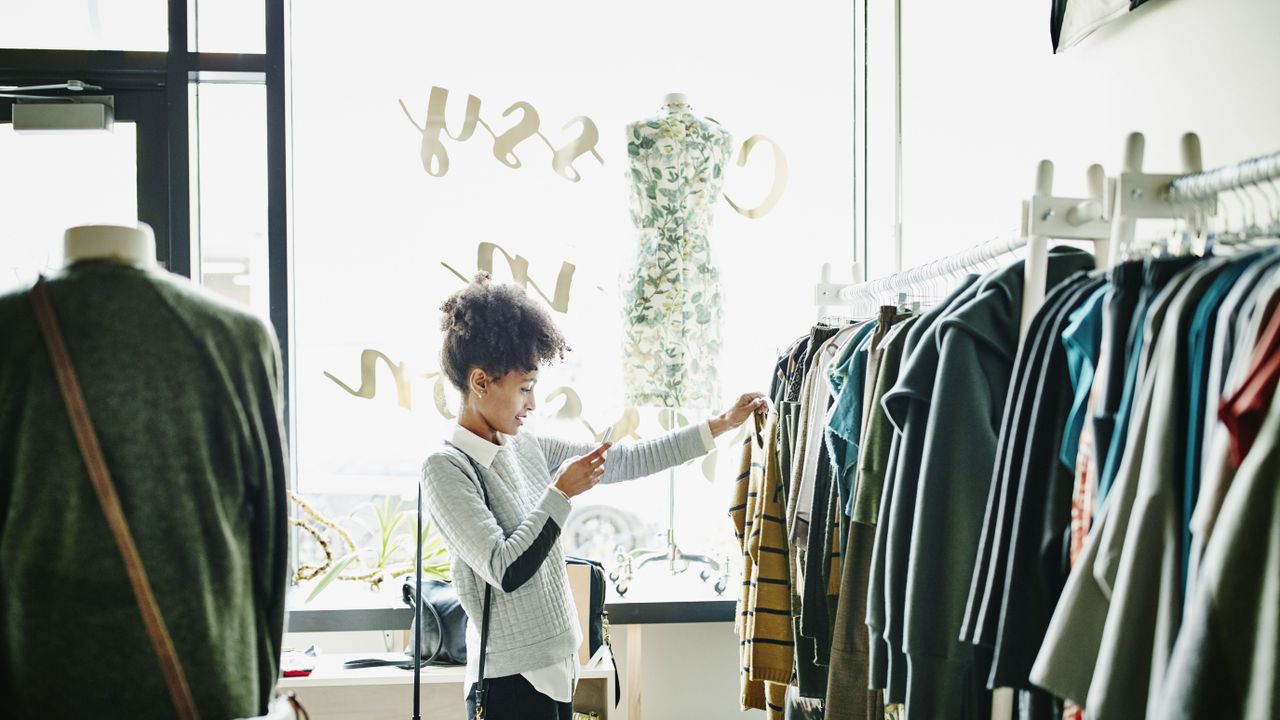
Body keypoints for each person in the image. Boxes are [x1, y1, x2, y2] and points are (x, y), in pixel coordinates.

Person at [422, 273, 766, 720]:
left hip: (560, 670)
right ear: (481, 382)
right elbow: (505, 569)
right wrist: (561, 492)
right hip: (509, 685)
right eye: (524, 388)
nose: (532, 403)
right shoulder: (446, 469)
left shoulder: (524, 447)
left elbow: (625, 460)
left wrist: (719, 425)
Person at [0, 225, 288, 718]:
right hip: (209, 678)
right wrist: (261, 675)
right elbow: (269, 535)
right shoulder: (235, 334)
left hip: (40, 674)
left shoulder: (11, 329)